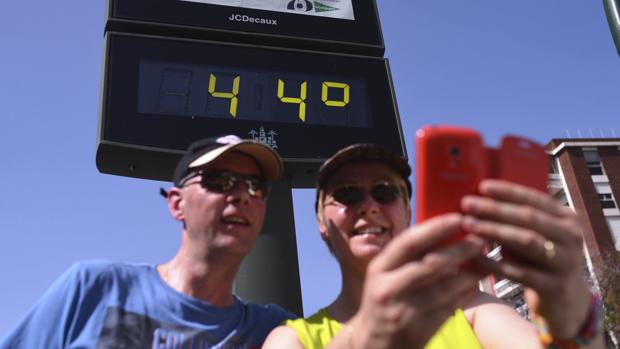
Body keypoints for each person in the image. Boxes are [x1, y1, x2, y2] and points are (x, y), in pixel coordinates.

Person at [263, 143, 604, 349]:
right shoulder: (293, 339)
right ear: (322, 224)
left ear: (408, 213)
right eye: (346, 195)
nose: (369, 205)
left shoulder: (471, 312)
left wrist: (576, 322)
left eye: (385, 191)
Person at [0, 135, 295, 349]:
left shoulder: (274, 331)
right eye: (219, 181)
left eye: (255, 186)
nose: (242, 195)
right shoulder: (94, 288)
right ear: (177, 204)